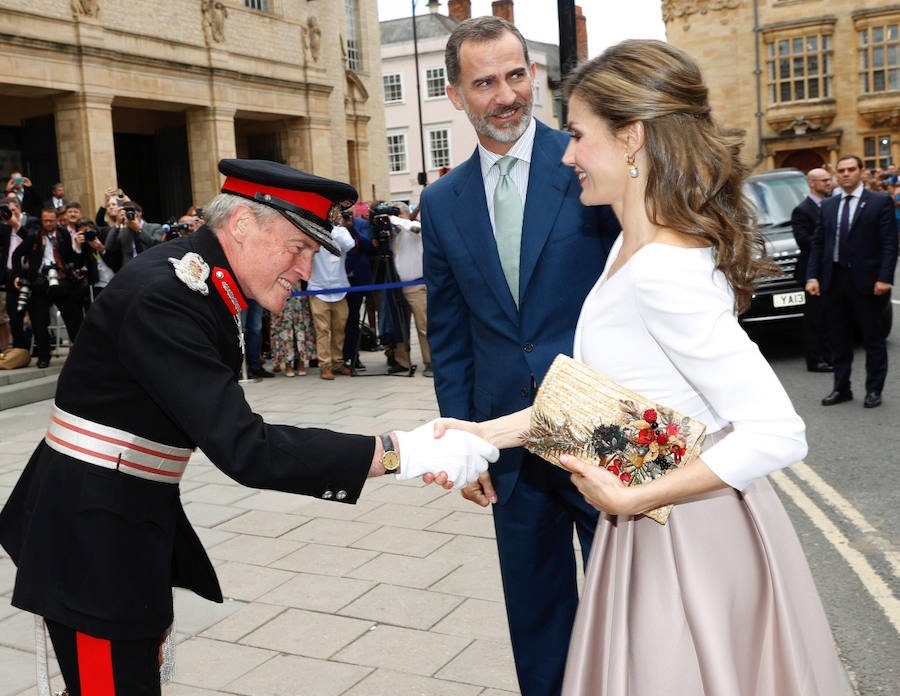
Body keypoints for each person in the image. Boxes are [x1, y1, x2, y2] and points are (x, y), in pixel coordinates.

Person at [431, 39, 843, 696]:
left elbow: (777, 432)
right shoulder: (629, 242)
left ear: (633, 139)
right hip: (653, 519)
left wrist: (634, 496)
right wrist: (482, 435)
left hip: (687, 531)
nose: (566, 156)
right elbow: (611, 410)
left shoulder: (661, 272)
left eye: (577, 136)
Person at [0, 159, 497, 695]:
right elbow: (246, 449)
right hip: (90, 539)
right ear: (242, 224)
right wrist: (404, 452)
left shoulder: (201, 283)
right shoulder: (168, 295)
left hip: (120, 519)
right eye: (298, 248)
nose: (306, 269)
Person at [420, 15, 619, 696]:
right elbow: (449, 334)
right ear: (455, 95)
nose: (505, 95)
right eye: (484, 82)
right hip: (507, 440)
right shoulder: (441, 202)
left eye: (516, 75)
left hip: (602, 425)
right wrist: (465, 439)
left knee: (628, 594)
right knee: (535, 610)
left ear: (532, 75)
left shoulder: (585, 162)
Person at [806, 154, 898, 408]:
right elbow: (818, 244)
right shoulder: (828, 205)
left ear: (860, 172)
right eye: (841, 170)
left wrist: (885, 278)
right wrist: (813, 276)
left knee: (873, 339)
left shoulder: (879, 202)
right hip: (835, 281)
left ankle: (874, 390)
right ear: (837, 175)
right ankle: (841, 388)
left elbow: (889, 243)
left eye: (851, 169)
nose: (846, 174)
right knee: (838, 339)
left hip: (868, 282)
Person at [790, 167, 833, 372]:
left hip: (832, 271)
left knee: (830, 316)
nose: (828, 183)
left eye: (829, 180)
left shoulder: (832, 205)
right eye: (824, 180)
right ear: (812, 183)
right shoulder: (802, 210)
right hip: (812, 272)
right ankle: (815, 360)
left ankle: (830, 355)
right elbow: (804, 241)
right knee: (815, 319)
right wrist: (831, 242)